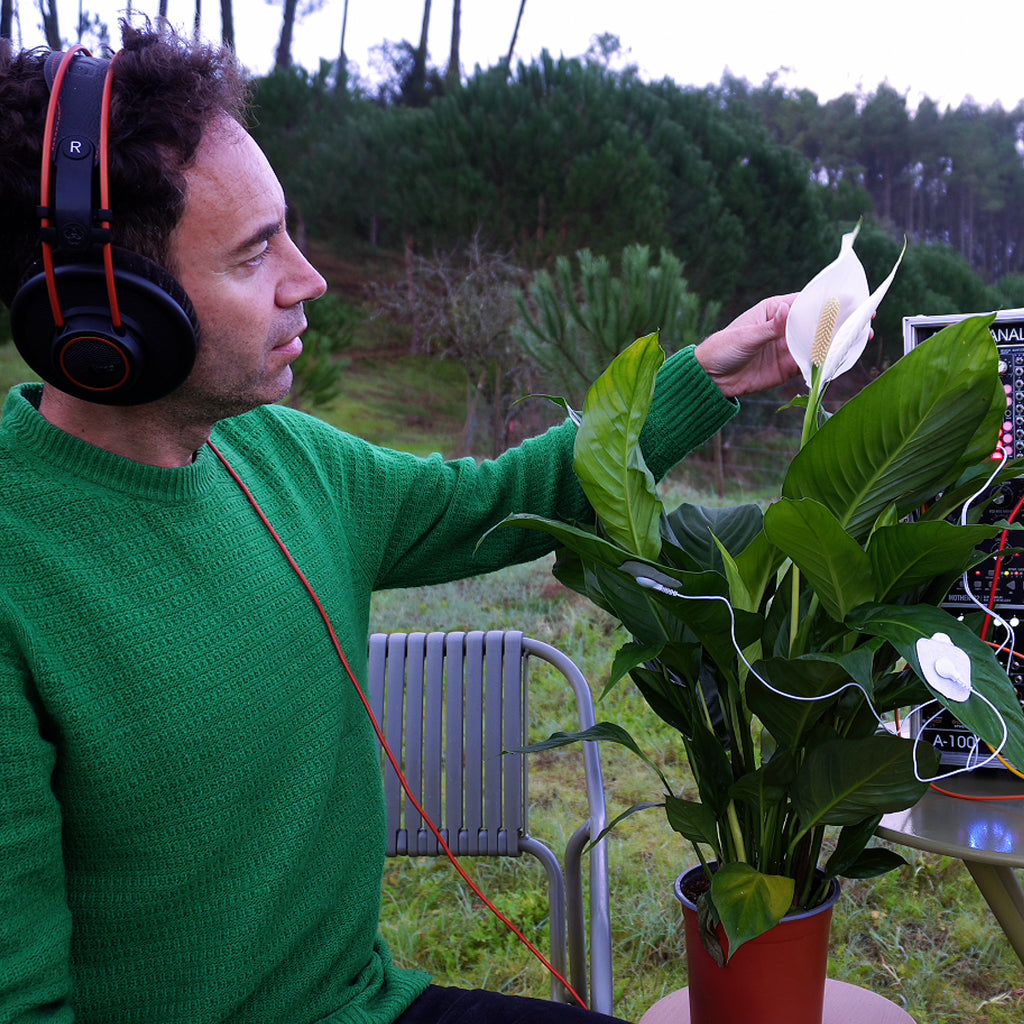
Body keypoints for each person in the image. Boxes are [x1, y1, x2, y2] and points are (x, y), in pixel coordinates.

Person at [0, 23, 798, 1024]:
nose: (309, 279)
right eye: (255, 257)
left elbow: (504, 502)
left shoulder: (285, 457)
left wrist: (710, 376)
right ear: (105, 308)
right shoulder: (16, 566)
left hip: (365, 1004)